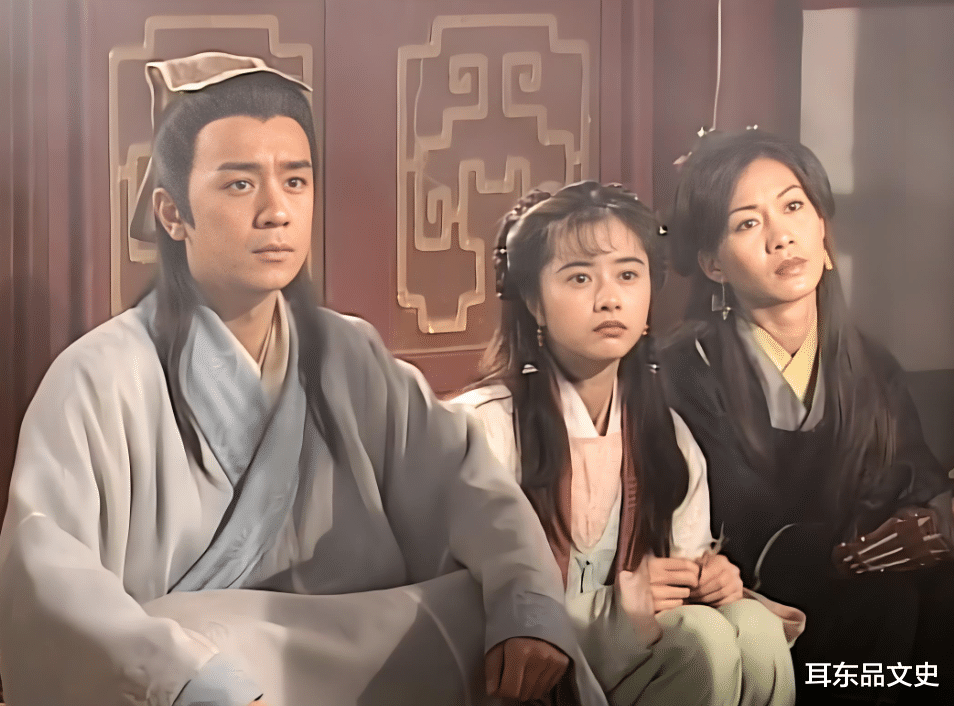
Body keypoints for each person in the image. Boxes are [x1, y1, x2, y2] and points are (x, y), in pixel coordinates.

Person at [0, 53, 605, 706]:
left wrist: (526, 604)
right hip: (204, 673)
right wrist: (189, 679)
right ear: (172, 213)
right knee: (188, 639)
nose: (276, 211)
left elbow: (471, 488)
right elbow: (49, 570)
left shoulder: (350, 355)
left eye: (295, 181)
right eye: (239, 184)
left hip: (364, 653)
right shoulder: (100, 378)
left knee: (488, 611)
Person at [453, 181, 799, 706]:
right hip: (517, 677)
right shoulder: (480, 429)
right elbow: (453, 606)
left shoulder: (666, 435)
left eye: (628, 275)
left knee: (753, 626)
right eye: (580, 277)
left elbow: (685, 568)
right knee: (701, 641)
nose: (610, 297)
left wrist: (709, 579)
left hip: (628, 662)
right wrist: (622, 607)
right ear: (534, 302)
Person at [661, 129, 954, 704]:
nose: (781, 237)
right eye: (748, 223)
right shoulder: (682, 369)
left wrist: (931, 522)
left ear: (822, 227)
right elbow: (730, 523)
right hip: (768, 616)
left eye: (793, 206)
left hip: (881, 602)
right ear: (713, 265)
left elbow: (914, 481)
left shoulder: (871, 364)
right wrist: (844, 556)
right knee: (885, 609)